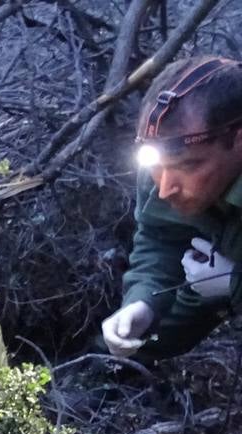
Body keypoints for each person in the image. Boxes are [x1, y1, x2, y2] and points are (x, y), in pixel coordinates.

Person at [100, 56, 242, 360]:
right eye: (155, 167)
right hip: (211, 270)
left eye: (189, 165)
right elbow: (161, 236)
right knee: (133, 345)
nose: (165, 188)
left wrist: (233, 283)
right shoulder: (165, 162)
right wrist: (142, 302)